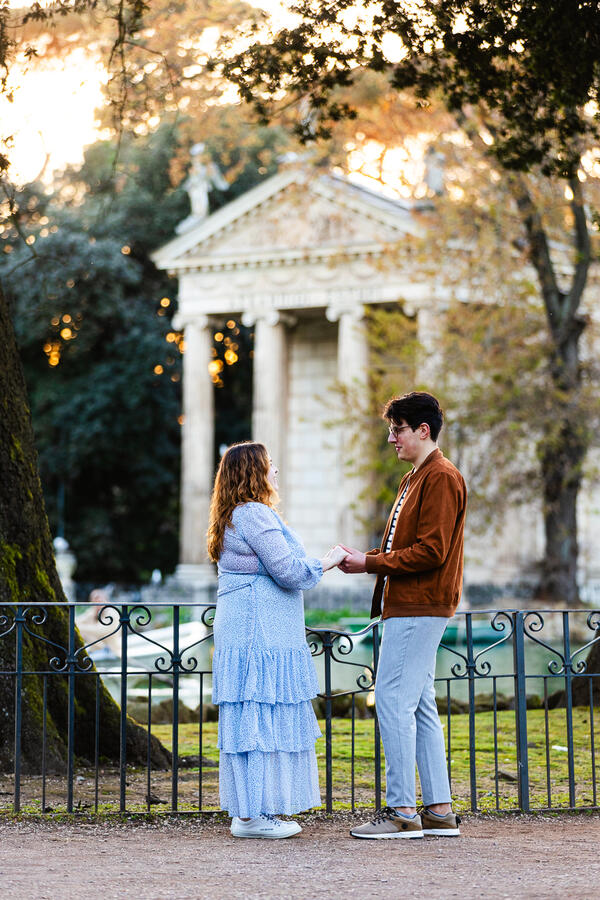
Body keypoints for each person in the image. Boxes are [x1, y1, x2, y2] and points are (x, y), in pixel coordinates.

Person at [338, 391, 467, 839]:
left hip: (420, 605)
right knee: (421, 705)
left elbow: (432, 551)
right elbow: (401, 547)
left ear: (422, 430)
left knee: (392, 701)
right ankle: (438, 811)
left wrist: (370, 563)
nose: (391, 438)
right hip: (408, 605)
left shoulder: (442, 477)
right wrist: (362, 557)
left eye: (398, 429)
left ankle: (402, 812)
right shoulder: (414, 477)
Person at [207, 441, 347, 839]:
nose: (275, 473)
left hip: (253, 631)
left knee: (253, 717)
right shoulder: (254, 514)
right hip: (258, 634)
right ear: (254, 473)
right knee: (257, 718)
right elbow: (287, 570)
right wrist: (328, 560)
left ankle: (250, 811)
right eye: (270, 466)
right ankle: (252, 817)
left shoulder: (235, 514)